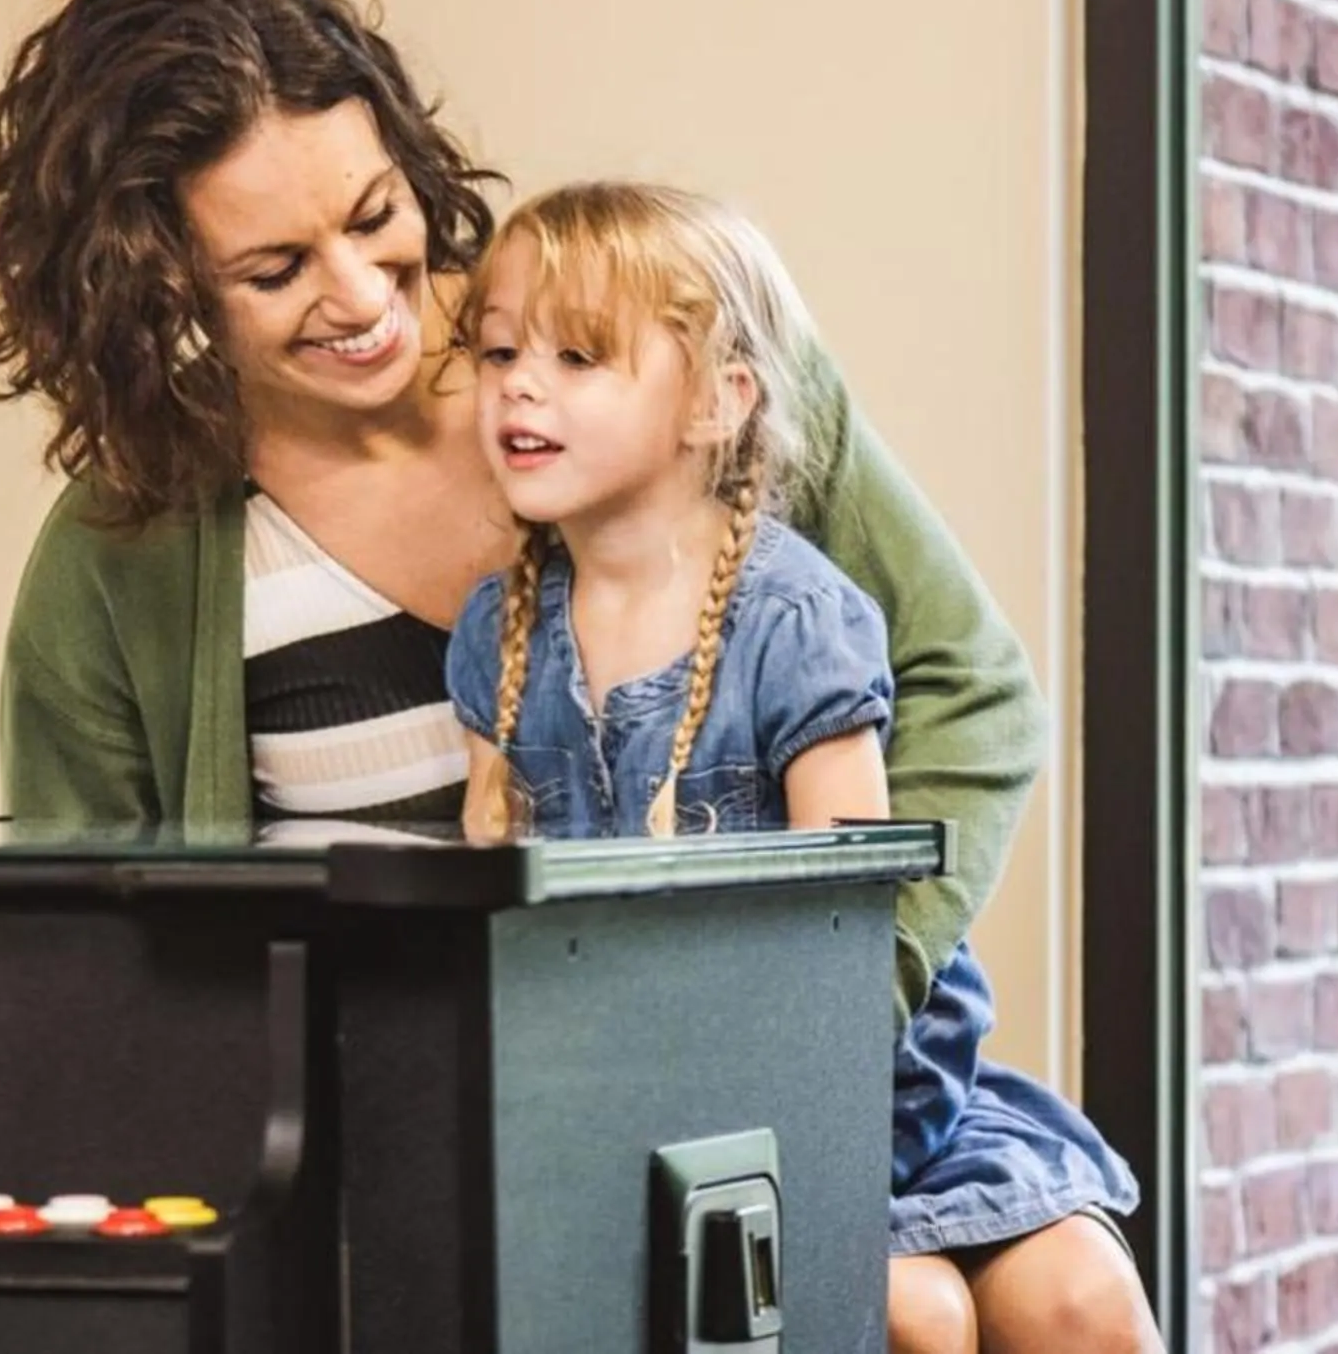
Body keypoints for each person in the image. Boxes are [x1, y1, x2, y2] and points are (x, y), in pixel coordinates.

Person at [0, 0, 1096, 1345]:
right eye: (274, 270)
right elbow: (85, 949)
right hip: (427, 1121)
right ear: (158, 286)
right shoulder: (127, 550)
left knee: (1072, 1300)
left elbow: (970, 692)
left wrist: (838, 1014)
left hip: (805, 1065)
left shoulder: (657, 349)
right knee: (907, 1316)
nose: (367, 296)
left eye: (376, 215)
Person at [448, 181, 1160, 1353]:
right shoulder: (500, 634)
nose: (519, 383)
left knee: (1077, 1307)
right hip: (619, 1086)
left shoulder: (794, 622)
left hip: (846, 1086)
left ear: (723, 400)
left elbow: (843, 951)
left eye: (578, 355)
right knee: (920, 1314)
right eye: (499, 350)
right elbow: (491, 913)